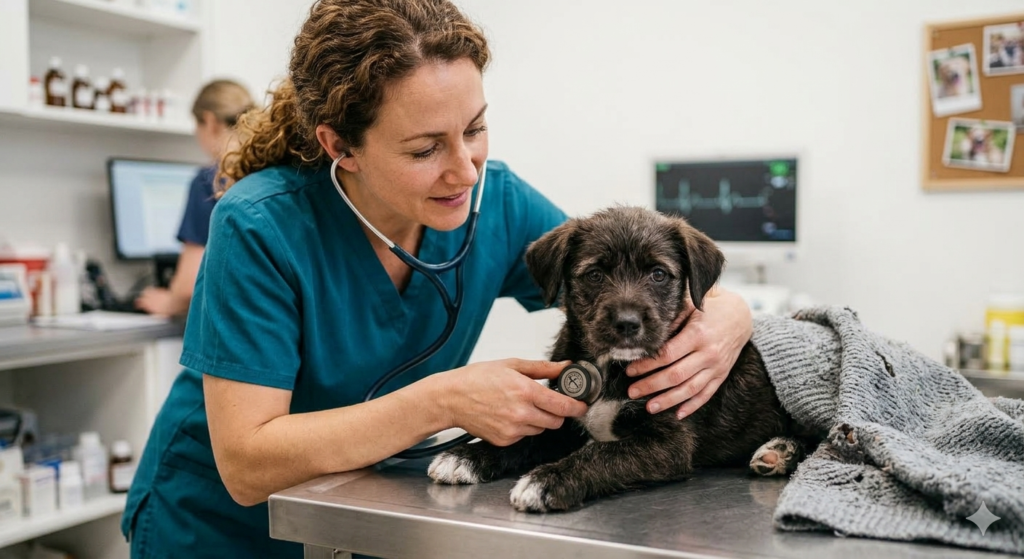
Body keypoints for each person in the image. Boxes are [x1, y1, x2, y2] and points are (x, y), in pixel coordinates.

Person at [120, 1, 753, 557]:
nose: (466, 170)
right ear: (341, 146)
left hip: (365, 510)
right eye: (425, 149)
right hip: (219, 528)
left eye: (474, 129)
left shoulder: (496, 204)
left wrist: (730, 316)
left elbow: (626, 275)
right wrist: (443, 402)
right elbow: (247, 465)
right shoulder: (259, 225)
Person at [133, 79, 256, 317]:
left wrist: (166, 303)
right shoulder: (272, 170)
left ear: (209, 121)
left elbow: (187, 290)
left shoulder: (211, 180)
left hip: (233, 324)